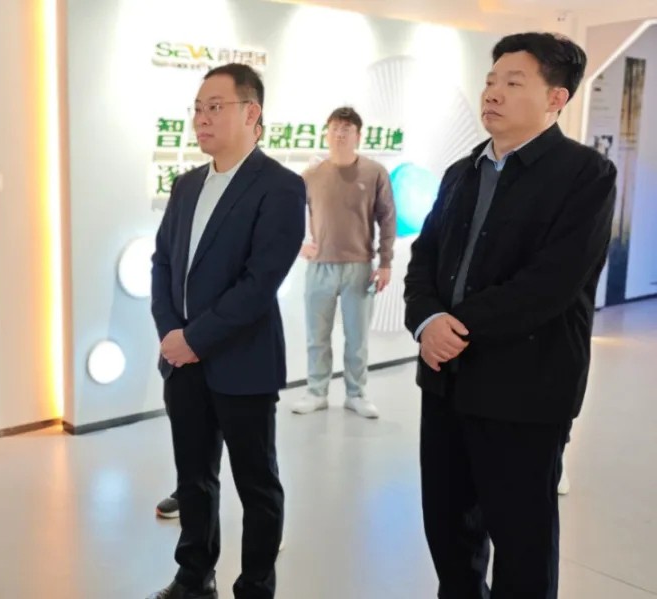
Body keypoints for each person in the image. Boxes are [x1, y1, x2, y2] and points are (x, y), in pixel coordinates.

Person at [404, 32, 615, 597]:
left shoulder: (586, 175)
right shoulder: (461, 172)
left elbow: (550, 284)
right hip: (445, 381)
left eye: (513, 82)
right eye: (491, 80)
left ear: (556, 98)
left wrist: (456, 326)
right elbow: (424, 259)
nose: (493, 93)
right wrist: (426, 321)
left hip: (526, 390)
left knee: (522, 543)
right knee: (448, 532)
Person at [148, 63, 305, 599]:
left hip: (244, 361)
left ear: (251, 112)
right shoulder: (187, 184)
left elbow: (259, 283)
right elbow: (162, 264)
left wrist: (194, 339)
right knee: (193, 478)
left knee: (256, 484)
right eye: (197, 108)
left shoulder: (280, 187)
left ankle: (256, 585)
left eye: (214, 107)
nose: (201, 118)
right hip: (182, 363)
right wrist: (171, 333)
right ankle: (194, 575)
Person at [290, 106, 396, 419]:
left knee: (357, 337)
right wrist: (298, 245)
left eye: (347, 129)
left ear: (358, 136)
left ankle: (356, 393)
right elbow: (285, 215)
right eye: (335, 128)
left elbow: (387, 218)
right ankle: (316, 391)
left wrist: (386, 262)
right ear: (327, 133)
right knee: (317, 336)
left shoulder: (374, 172)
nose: (340, 134)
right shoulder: (310, 175)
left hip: (360, 267)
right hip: (319, 266)